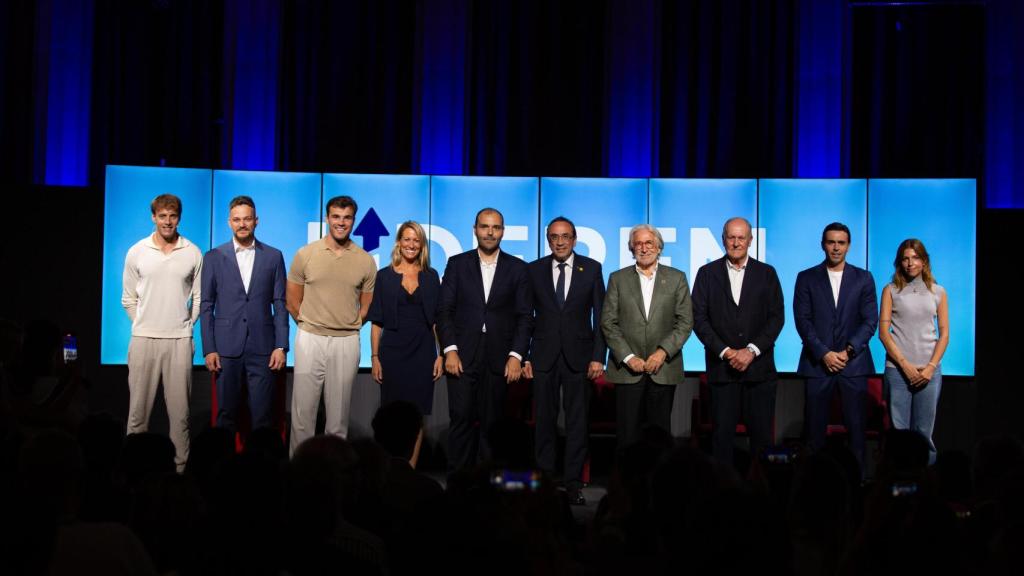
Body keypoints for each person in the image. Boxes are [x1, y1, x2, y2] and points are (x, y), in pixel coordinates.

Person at [436, 207, 531, 473]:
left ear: (503, 231)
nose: (490, 232)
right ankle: (458, 487)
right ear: (475, 229)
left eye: (496, 227)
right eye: (485, 227)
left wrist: (516, 356)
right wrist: (449, 351)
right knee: (461, 419)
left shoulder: (518, 268)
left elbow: (525, 316)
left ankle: (488, 488)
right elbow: (444, 310)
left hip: (501, 359)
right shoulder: (457, 263)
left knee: (494, 425)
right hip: (462, 355)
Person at [523, 216, 606, 505]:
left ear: (574, 238)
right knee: (544, 421)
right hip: (543, 356)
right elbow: (525, 318)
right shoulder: (533, 270)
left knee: (577, 423)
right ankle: (543, 481)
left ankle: (572, 482)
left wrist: (599, 357)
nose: (559, 242)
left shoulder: (591, 269)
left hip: (580, 358)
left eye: (565, 236)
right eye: (554, 237)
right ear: (548, 239)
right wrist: (523, 355)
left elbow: (602, 316)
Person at [286, 195, 376, 455]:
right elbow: (292, 301)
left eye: (347, 217)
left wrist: (348, 325)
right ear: (327, 218)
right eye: (336, 217)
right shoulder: (306, 254)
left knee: (338, 417)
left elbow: (366, 306)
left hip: (346, 341)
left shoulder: (364, 260)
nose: (341, 222)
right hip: (310, 337)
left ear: (353, 221)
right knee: (303, 412)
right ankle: (298, 471)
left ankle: (334, 474)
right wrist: (311, 324)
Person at [692, 217, 784, 468]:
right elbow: (698, 319)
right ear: (723, 240)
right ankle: (722, 494)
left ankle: (762, 493)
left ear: (750, 240)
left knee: (762, 439)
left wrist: (751, 351)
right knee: (722, 439)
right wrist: (726, 352)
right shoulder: (706, 274)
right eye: (731, 237)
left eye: (741, 237)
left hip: (760, 371)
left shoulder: (767, 274)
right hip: (722, 371)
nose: (736, 242)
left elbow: (777, 318)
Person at [121, 193, 203, 471]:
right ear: (153, 217)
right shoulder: (137, 251)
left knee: (180, 416)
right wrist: (142, 323)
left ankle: (180, 473)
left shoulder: (192, 251)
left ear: (179, 218)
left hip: (179, 341)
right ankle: (133, 471)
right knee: (138, 414)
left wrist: (186, 326)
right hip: (144, 339)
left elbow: (200, 299)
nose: (168, 221)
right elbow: (128, 298)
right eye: (162, 216)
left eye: (173, 216)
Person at [200, 195, 288, 434]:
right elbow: (206, 305)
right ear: (229, 222)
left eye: (247, 219)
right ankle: (221, 469)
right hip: (226, 348)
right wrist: (209, 348)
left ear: (256, 221)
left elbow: (280, 303)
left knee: (262, 416)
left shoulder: (273, 256)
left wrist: (281, 345)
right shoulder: (213, 257)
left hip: (263, 348)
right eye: (237, 219)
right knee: (225, 416)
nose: (242, 224)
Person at [601, 224, 693, 449]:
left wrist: (662, 353)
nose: (643, 248)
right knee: (627, 436)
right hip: (627, 370)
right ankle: (626, 483)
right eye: (638, 244)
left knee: (659, 437)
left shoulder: (677, 278)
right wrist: (628, 356)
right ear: (631, 248)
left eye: (648, 243)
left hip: (663, 369)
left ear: (659, 247)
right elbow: (608, 322)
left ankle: (658, 484)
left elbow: (685, 322)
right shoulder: (617, 278)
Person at [794, 222, 878, 468]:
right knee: (814, 434)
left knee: (857, 434)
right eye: (831, 242)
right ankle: (812, 486)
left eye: (841, 243)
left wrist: (847, 351)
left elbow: (870, 320)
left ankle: (858, 486)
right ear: (823, 245)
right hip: (818, 365)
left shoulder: (863, 278)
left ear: (849, 246)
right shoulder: (806, 277)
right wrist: (824, 354)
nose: (836, 248)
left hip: (854, 366)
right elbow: (803, 320)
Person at [877, 238, 949, 464]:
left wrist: (930, 367)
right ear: (899, 262)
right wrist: (905, 365)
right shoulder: (890, 290)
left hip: (929, 371)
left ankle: (925, 484)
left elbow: (944, 334)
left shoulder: (938, 292)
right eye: (905, 258)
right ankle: (897, 480)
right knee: (899, 432)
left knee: (924, 433)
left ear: (924, 261)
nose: (910, 263)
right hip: (897, 371)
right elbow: (884, 332)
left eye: (915, 258)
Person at [367, 221, 443, 415]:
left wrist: (440, 355)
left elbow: (437, 321)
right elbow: (376, 322)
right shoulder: (384, 276)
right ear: (399, 242)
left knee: (418, 413)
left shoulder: (431, 276)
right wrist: (374, 358)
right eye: (407, 239)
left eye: (416, 240)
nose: (411, 245)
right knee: (391, 413)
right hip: (392, 352)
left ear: (422, 244)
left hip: (423, 352)